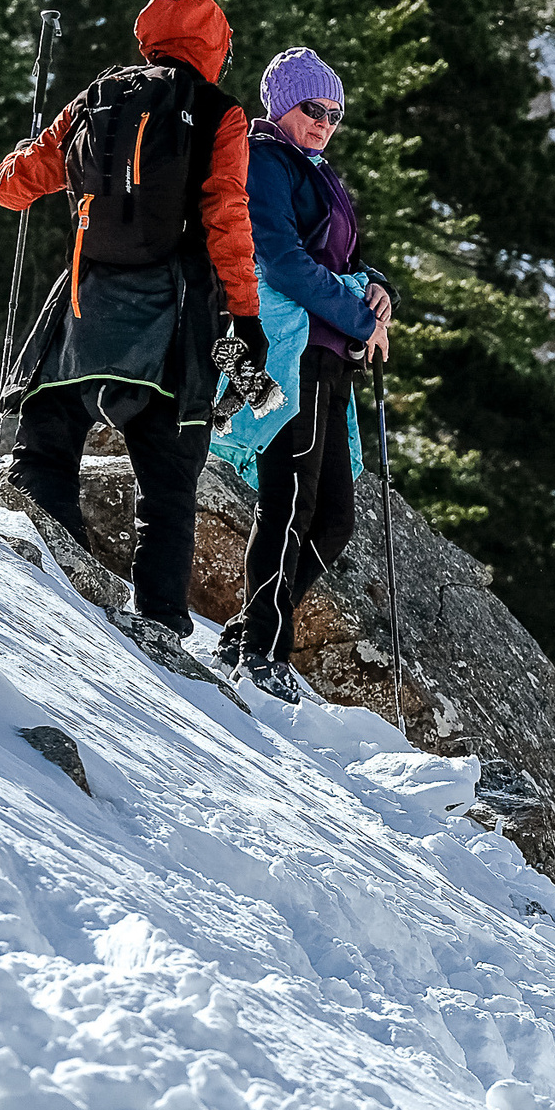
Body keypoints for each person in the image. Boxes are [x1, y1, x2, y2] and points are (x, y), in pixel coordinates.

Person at [0, 0, 262, 637]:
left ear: (151, 39)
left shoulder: (99, 97)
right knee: (168, 489)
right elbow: (227, 218)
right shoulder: (221, 115)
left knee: (47, 443)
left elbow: (11, 187)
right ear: (218, 48)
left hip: (84, 314)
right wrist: (245, 320)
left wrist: (29, 145)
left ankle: (51, 580)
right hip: (174, 330)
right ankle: (162, 627)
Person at [206, 47, 392, 703]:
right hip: (289, 354)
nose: (325, 122)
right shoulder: (266, 161)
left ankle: (248, 630)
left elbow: (347, 260)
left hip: (324, 357)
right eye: (314, 109)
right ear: (281, 105)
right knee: (289, 506)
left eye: (335, 114)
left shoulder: (317, 171)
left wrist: (378, 291)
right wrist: (362, 319)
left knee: (334, 517)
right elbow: (283, 263)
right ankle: (263, 651)